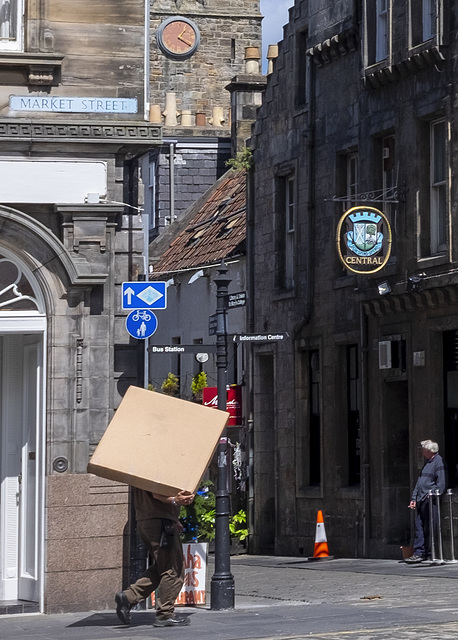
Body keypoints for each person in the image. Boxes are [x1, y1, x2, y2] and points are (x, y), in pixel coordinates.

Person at [115, 487, 195, 627]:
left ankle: (129, 597)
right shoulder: (154, 465)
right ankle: (165, 614)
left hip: (148, 519)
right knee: (173, 569)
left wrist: (172, 517)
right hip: (159, 521)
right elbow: (156, 491)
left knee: (162, 567)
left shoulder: (139, 467)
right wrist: (175, 501)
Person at [405, 440, 446, 564]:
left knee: (429, 526)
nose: (421, 451)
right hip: (421, 499)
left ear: (429, 450)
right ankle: (419, 552)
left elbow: (441, 483)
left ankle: (427, 553)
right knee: (419, 525)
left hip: (430, 499)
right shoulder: (427, 463)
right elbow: (419, 482)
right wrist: (414, 498)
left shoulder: (438, 462)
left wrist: (431, 493)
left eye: (423, 449)